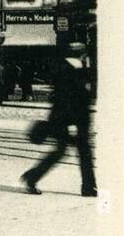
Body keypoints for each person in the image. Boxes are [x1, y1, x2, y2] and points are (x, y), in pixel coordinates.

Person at [22, 43, 96, 197]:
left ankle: (32, 177)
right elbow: (66, 100)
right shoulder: (70, 71)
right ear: (80, 55)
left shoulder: (71, 68)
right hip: (70, 121)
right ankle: (88, 187)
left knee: (65, 151)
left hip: (72, 120)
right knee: (76, 152)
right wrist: (72, 124)